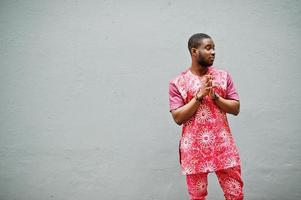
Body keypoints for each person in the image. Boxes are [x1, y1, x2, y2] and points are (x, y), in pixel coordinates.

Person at [169, 33, 244, 200]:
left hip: (223, 146)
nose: (213, 52)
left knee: (235, 194)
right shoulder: (178, 82)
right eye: (208, 48)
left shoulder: (223, 77)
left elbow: (235, 108)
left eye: (214, 48)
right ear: (194, 51)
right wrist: (199, 96)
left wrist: (215, 97)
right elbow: (178, 118)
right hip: (194, 149)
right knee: (197, 197)